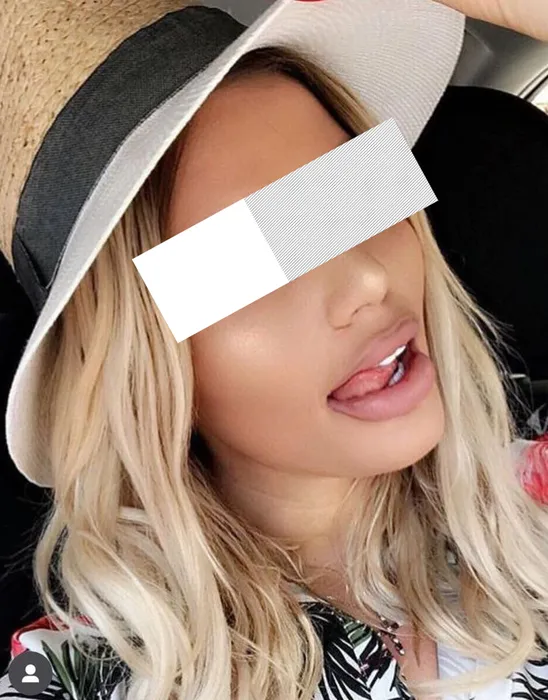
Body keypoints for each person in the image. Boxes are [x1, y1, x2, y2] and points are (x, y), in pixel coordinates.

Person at [0, 0, 547, 699]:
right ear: (139, 367)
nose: (367, 280)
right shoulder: (77, 681)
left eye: (354, 197)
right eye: (248, 266)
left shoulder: (532, 504)